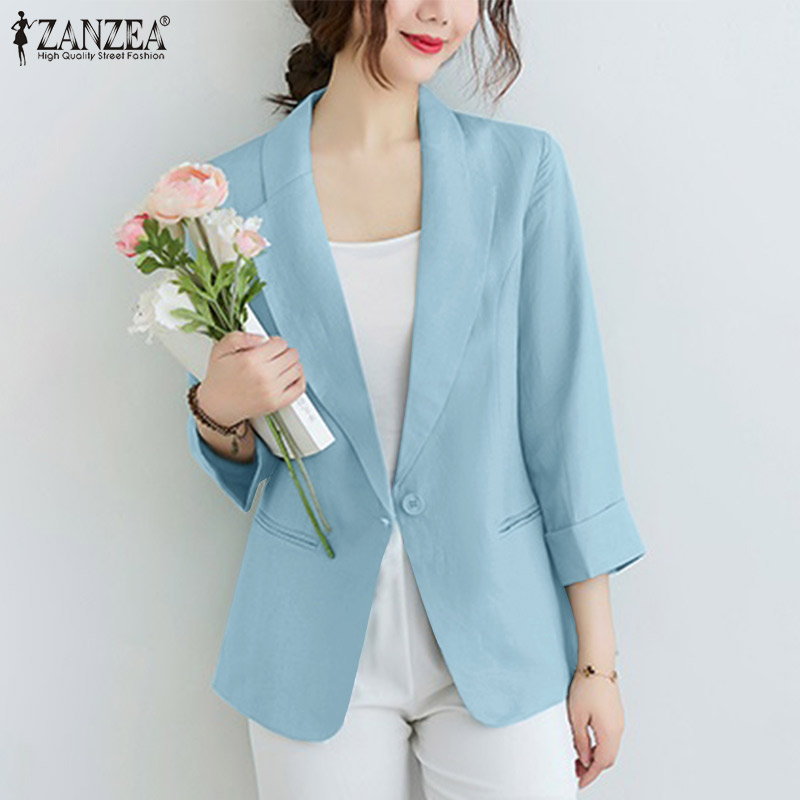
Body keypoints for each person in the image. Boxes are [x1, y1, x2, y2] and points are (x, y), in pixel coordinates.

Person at [187, 1, 646, 798]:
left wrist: (596, 662)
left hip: (499, 633)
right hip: (308, 645)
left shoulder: (521, 173)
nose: (443, 12)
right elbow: (250, 457)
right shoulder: (226, 196)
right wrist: (217, 408)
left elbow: (567, 425)